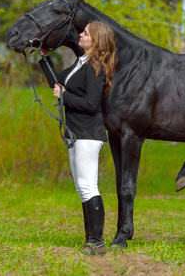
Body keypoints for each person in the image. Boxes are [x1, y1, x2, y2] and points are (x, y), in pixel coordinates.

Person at [38, 21, 118, 256]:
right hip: (77, 133)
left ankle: (97, 243)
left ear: (96, 41)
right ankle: (91, 240)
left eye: (85, 33)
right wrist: (44, 57)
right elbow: (57, 81)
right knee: (81, 188)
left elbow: (91, 104)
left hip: (87, 134)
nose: (80, 35)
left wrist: (64, 95)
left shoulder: (96, 68)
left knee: (87, 186)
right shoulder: (81, 63)